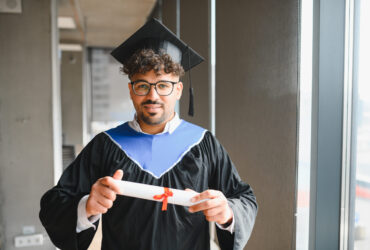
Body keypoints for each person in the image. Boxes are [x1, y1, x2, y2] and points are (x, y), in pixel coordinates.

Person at [39, 18, 257, 250]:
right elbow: (55, 203)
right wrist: (87, 207)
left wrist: (228, 213)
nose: (153, 96)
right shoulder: (107, 144)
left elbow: (243, 198)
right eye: (142, 85)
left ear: (179, 91)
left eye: (163, 85)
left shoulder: (204, 144)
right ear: (131, 91)